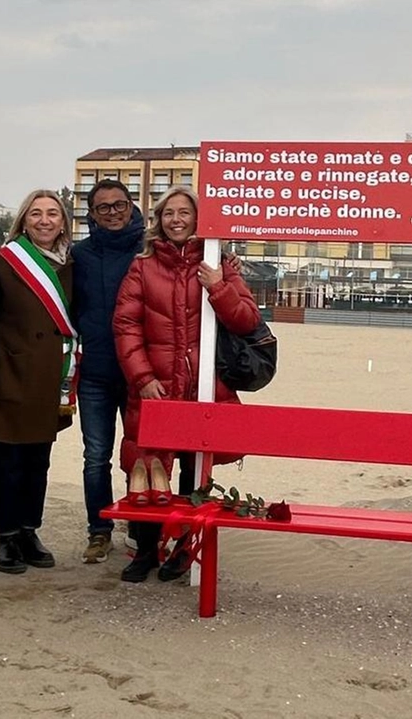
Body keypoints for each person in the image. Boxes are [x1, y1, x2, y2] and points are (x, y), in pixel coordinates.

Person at [113, 186, 261, 583]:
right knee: (148, 471)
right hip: (155, 388)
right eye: (168, 213)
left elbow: (246, 320)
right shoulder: (142, 267)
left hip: (203, 389)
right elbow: (126, 326)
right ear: (158, 221)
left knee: (195, 474)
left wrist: (218, 285)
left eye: (185, 212)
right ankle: (145, 550)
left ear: (199, 219)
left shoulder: (220, 264)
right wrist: (142, 377)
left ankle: (183, 548)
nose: (176, 220)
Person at [0, 189, 77, 574]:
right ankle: (6, 537)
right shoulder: (5, 261)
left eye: (52, 214)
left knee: (38, 461)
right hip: (13, 371)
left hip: (51, 376)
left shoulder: (70, 265)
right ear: (23, 219)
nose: (44, 220)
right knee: (8, 460)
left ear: (63, 222)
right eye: (36, 213)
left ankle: (29, 530)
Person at [71, 179, 145, 564]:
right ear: (92, 215)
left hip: (141, 373)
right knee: (95, 455)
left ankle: (137, 526)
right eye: (104, 207)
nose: (113, 212)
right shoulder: (78, 255)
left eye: (120, 205)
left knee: (139, 455)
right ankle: (99, 531)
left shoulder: (149, 250)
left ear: (132, 206)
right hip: (97, 374)